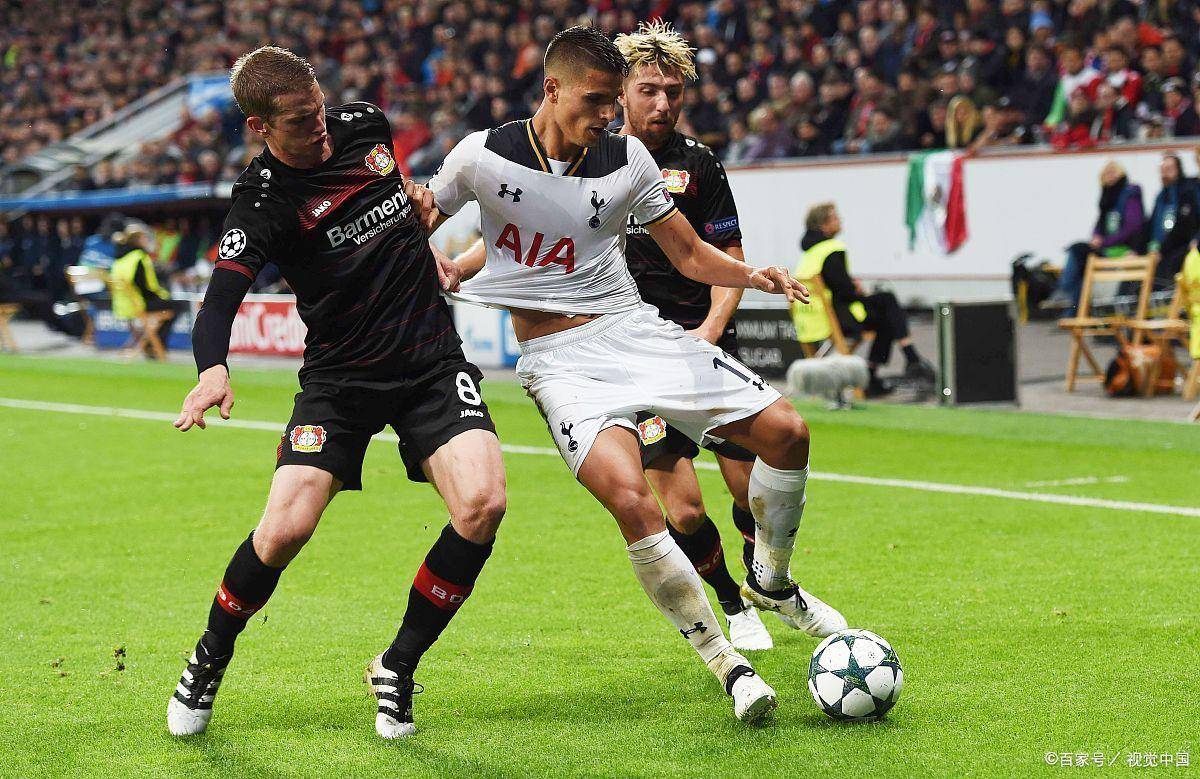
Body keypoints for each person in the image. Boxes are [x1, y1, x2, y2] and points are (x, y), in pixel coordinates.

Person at [425, 26, 846, 724]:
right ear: (552, 89)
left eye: (612, 101)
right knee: (640, 505)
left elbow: (690, 254)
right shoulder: (482, 156)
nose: (609, 114)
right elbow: (426, 221)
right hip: (560, 364)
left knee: (789, 433)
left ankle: (771, 579)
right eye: (598, 100)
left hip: (637, 331)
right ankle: (728, 664)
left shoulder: (630, 160)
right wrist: (431, 265)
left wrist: (753, 276)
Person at [166, 46, 506, 741]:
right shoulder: (262, 201)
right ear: (260, 127)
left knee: (483, 504)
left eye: (318, 109)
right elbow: (220, 298)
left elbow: (396, 208)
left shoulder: (365, 125)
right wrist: (211, 369)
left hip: (429, 361)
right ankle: (209, 656)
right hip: (341, 379)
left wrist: (423, 234)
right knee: (284, 530)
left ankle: (397, 665)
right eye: (299, 121)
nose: (319, 127)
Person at [613, 21, 771, 651]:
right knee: (683, 511)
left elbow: (730, 256)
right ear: (621, 93)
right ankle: (733, 604)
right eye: (648, 91)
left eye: (673, 92)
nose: (662, 104)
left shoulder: (698, 163)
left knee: (752, 490)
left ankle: (764, 576)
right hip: (636, 359)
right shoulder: (592, 162)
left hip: (704, 345)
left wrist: (710, 329)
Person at [795, 203, 934, 397]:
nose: (840, 220)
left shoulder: (809, 254)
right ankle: (907, 359)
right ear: (823, 225)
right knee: (887, 302)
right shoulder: (831, 249)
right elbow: (844, 291)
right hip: (841, 319)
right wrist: (859, 290)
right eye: (835, 218)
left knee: (887, 315)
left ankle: (882, 372)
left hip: (812, 321)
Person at [1045, 160, 1145, 309]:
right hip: (1107, 248)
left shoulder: (1130, 194)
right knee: (1079, 261)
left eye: (1113, 172)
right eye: (1106, 173)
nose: (1110, 176)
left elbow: (1132, 227)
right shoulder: (1107, 199)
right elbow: (1099, 224)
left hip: (1123, 249)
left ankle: (1065, 291)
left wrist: (1104, 241)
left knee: (1078, 249)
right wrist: (1095, 237)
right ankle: (1074, 307)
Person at [108, 221, 185, 353]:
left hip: (121, 304)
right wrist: (164, 296)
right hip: (138, 304)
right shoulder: (139, 257)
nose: (148, 241)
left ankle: (150, 344)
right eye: (145, 238)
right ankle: (155, 345)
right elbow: (146, 287)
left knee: (168, 305)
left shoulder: (119, 258)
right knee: (178, 305)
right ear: (138, 240)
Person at [1146, 153, 1200, 283]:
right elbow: (1151, 225)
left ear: (1178, 169)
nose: (1165, 173)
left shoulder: (1187, 190)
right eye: (1163, 170)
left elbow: (1184, 225)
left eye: (1169, 169)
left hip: (1180, 245)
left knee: (1172, 264)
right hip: (1163, 247)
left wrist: (1162, 250)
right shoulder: (1161, 196)